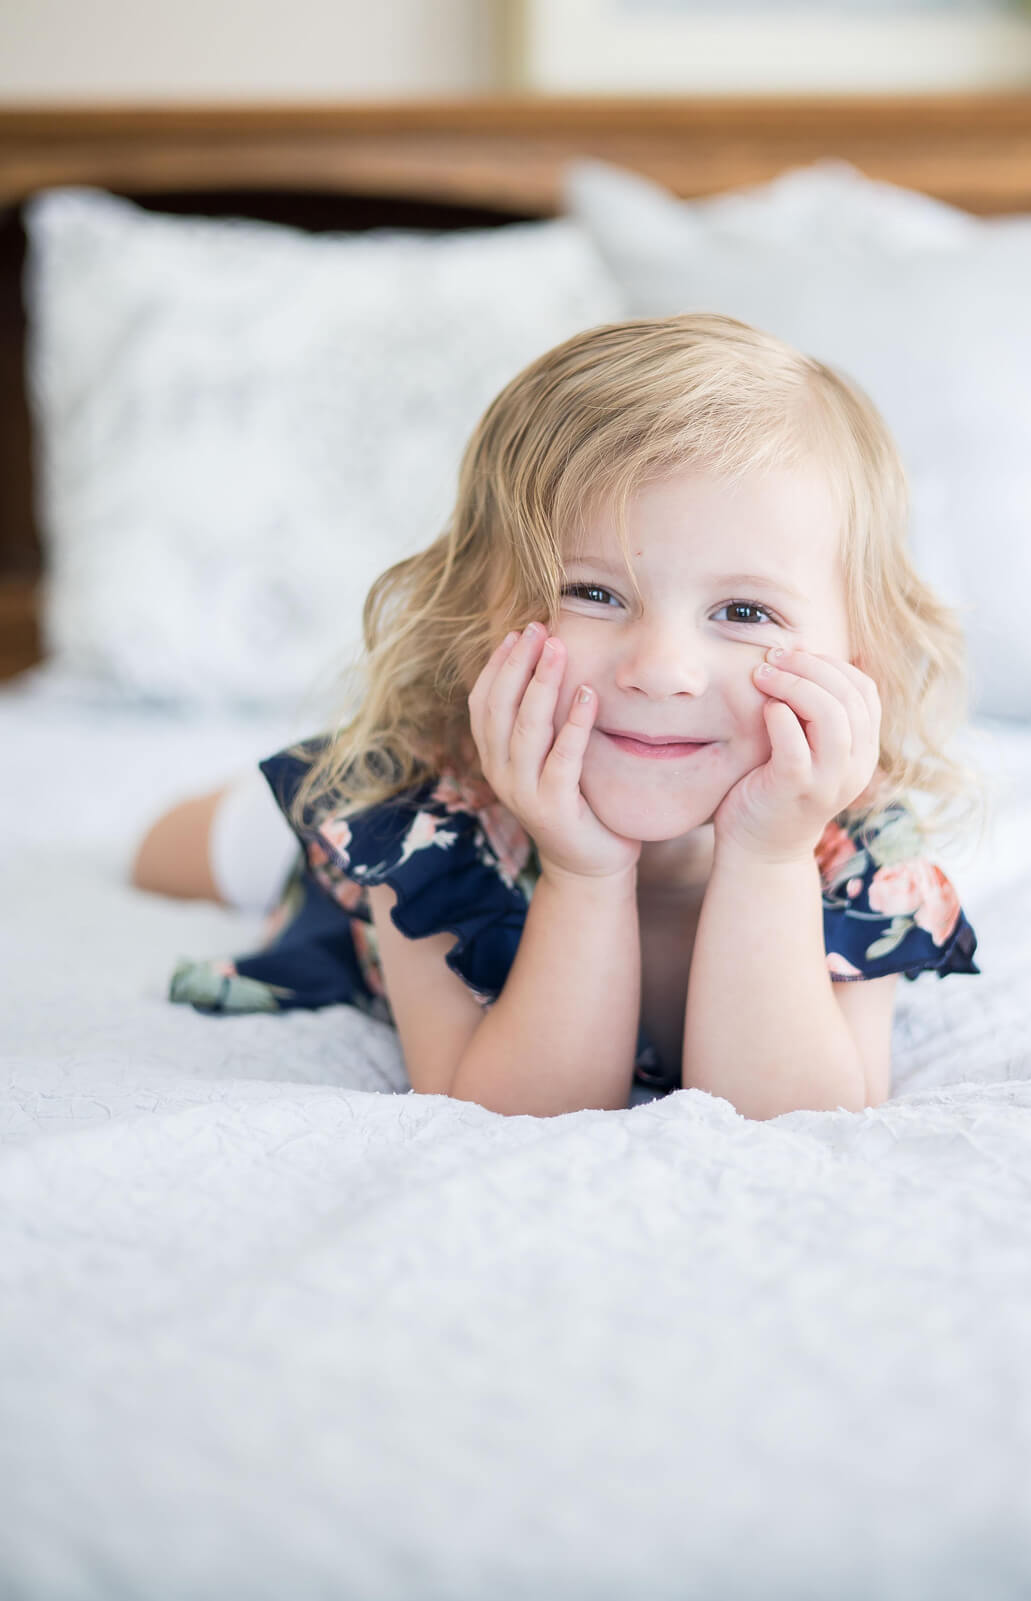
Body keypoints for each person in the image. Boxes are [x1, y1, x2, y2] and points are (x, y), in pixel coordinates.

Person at [138, 314, 983, 1119]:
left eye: (745, 613)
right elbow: (511, 1110)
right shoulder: (425, 827)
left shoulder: (853, 845)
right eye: (592, 593)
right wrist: (584, 870)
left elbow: (793, 1116)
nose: (659, 670)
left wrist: (768, 857)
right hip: (366, 849)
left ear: (856, 661)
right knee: (196, 845)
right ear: (476, 617)